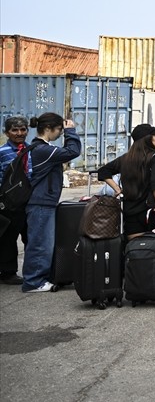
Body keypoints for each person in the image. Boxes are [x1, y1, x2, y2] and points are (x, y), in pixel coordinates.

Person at [22, 113, 82, 292]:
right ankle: (34, 282)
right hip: (40, 203)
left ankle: (39, 277)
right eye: (59, 130)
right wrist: (71, 131)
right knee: (40, 243)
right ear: (48, 129)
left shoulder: (39, 148)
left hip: (42, 201)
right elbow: (73, 151)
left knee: (41, 242)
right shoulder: (43, 150)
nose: (59, 134)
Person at [98, 124, 155, 239]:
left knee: (135, 249)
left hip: (129, 211)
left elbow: (103, 171)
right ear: (147, 139)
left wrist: (117, 189)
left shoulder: (126, 158)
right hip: (150, 212)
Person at [0, 116, 32, 285]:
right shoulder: (2, 153)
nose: (19, 133)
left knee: (31, 237)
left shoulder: (32, 149)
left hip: (30, 201)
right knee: (8, 238)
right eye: (14, 130)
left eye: (23, 129)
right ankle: (8, 272)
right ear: (6, 132)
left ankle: (32, 271)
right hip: (10, 203)